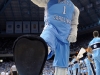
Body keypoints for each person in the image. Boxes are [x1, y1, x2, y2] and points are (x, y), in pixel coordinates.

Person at [31, 0, 80, 75]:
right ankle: (35, 63)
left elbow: (74, 23)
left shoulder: (74, 8)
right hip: (52, 29)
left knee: (62, 62)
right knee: (44, 43)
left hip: (65, 36)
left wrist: (73, 34)